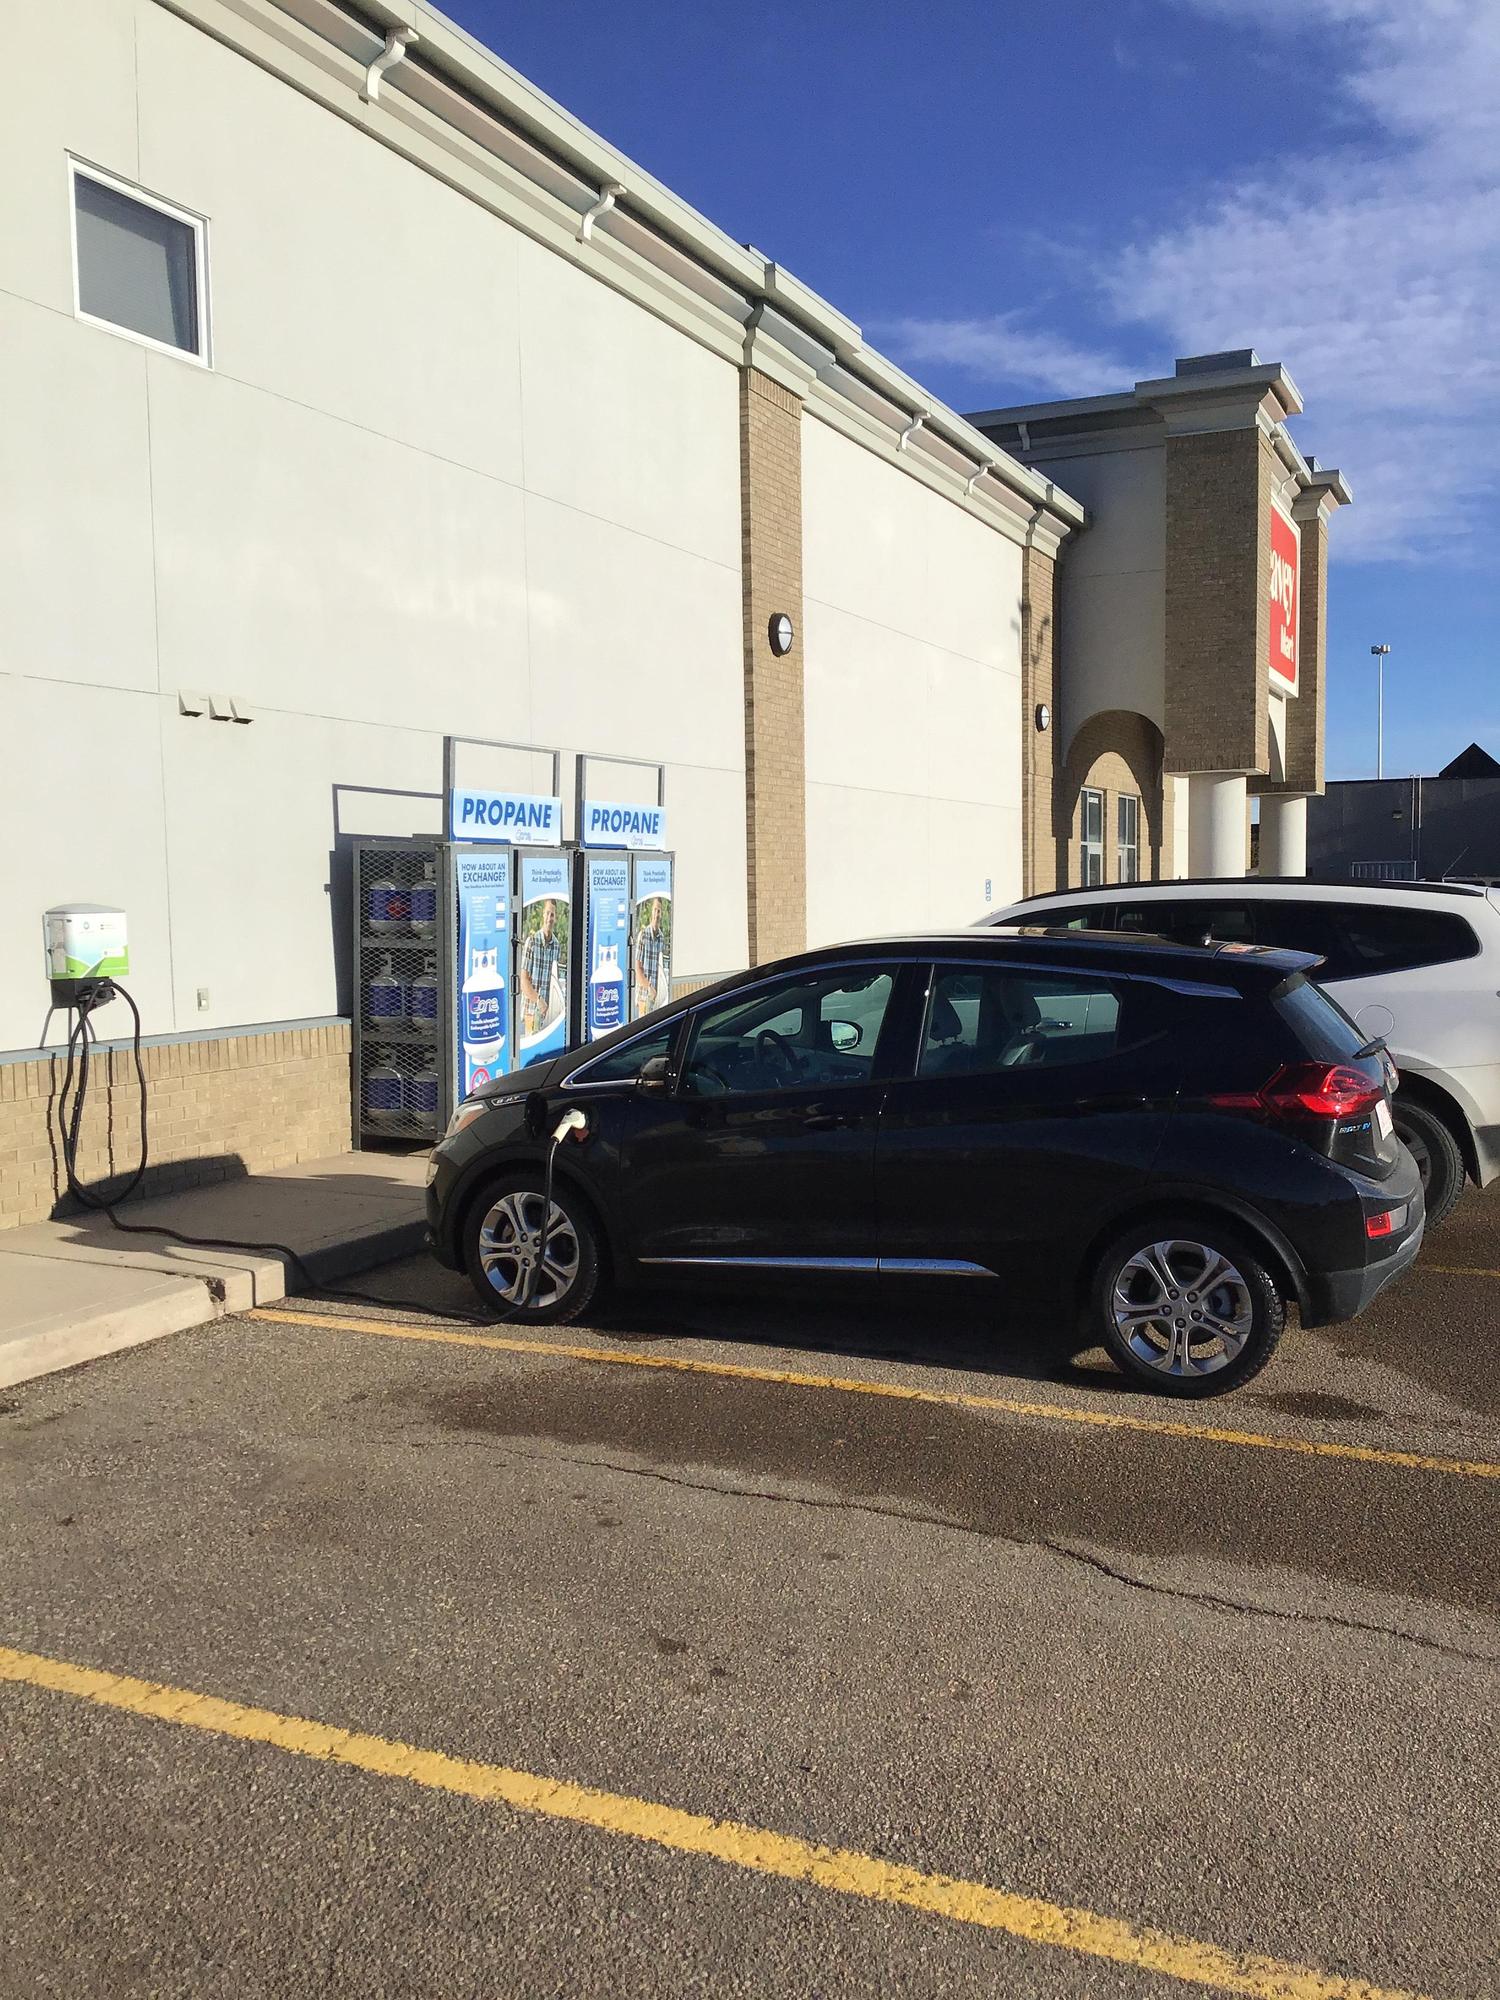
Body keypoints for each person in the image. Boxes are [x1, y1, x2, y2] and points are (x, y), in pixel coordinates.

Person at [519, 898, 563, 1039]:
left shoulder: (556, 945)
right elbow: (524, 981)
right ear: (542, 915)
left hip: (550, 1014)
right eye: (547, 913)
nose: (549, 918)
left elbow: (556, 980)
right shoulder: (531, 942)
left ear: (555, 918)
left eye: (552, 915)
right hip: (531, 1012)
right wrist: (539, 1001)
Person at [633, 897, 666, 1016]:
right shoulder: (643, 935)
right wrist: (649, 988)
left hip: (657, 997)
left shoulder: (661, 938)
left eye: (659, 911)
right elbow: (638, 969)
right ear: (651, 911)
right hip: (644, 995)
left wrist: (658, 992)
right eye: (655, 909)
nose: (657, 914)